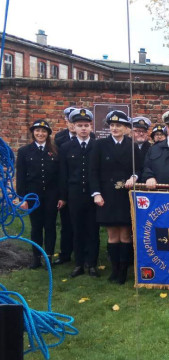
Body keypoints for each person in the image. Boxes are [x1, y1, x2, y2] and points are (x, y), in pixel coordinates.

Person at [90, 110, 142, 284]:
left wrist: (134, 177)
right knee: (112, 235)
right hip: (107, 195)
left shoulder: (132, 145)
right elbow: (93, 171)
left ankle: (123, 272)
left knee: (125, 235)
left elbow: (139, 169)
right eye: (112, 125)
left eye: (118, 125)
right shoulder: (100, 145)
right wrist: (96, 194)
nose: (114, 128)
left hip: (125, 195)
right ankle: (114, 269)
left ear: (126, 128)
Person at [58, 108, 100, 278]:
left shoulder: (97, 146)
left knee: (93, 229)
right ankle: (79, 263)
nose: (83, 128)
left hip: (92, 193)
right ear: (73, 127)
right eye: (80, 125)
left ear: (91, 127)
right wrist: (63, 196)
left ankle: (92, 263)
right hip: (74, 193)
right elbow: (63, 173)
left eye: (86, 125)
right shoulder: (66, 147)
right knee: (76, 229)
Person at [16, 120, 60, 268]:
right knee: (36, 226)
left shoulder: (54, 150)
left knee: (50, 226)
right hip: (33, 195)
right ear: (33, 133)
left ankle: (48, 256)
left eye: (43, 131)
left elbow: (60, 176)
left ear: (48, 134)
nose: (40, 134)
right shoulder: (24, 151)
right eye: (37, 131)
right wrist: (22, 198)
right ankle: (36, 258)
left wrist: (61, 196)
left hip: (51, 195)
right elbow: (21, 177)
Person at [53, 106, 78, 266]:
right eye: (70, 121)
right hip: (65, 185)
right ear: (66, 122)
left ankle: (81, 253)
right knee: (66, 224)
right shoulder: (60, 138)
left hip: (80, 186)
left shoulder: (91, 137)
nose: (72, 124)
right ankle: (65, 253)